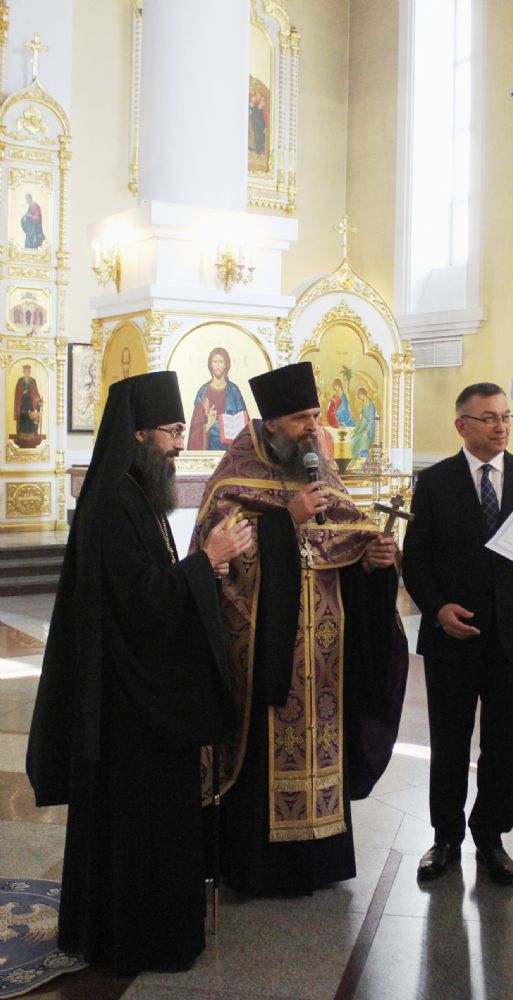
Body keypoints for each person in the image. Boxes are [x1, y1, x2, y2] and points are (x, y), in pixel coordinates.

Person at [26, 371, 252, 975]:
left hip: (139, 693)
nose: (180, 444)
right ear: (139, 434)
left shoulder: (134, 494)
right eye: (173, 432)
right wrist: (206, 561)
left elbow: (153, 585)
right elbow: (140, 601)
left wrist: (203, 569)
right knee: (138, 826)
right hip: (128, 708)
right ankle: (138, 939)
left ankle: (140, 930)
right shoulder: (113, 503)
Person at [190, 361, 409, 896]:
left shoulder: (321, 474)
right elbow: (219, 557)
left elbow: (345, 539)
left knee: (324, 740)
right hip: (265, 647)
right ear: (271, 424)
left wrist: (372, 561)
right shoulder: (234, 477)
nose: (313, 427)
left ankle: (319, 861)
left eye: (315, 416)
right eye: (300, 419)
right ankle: (257, 866)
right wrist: (285, 519)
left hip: (325, 654)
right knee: (263, 745)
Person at [402, 382, 513, 884]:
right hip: (453, 635)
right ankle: (444, 837)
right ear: (462, 425)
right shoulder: (435, 482)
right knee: (449, 742)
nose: (500, 426)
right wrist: (437, 609)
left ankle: (491, 837)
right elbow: (416, 560)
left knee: (505, 743)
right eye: (489, 418)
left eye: (505, 417)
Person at [187, 346, 248, 451]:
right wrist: (208, 424)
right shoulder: (203, 392)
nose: (218, 366)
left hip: (231, 447)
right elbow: (195, 427)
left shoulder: (234, 391)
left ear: (226, 365)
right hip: (209, 446)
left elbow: (244, 422)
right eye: (215, 362)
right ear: (210, 365)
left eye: (221, 362)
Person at [350, 386, 377, 462]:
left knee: (363, 437)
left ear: (363, 395)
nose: (360, 398)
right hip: (364, 426)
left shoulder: (370, 405)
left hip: (370, 427)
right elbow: (363, 420)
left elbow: (372, 420)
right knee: (354, 438)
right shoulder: (364, 405)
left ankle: (363, 457)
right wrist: (357, 429)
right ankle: (355, 458)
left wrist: (367, 430)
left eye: (360, 396)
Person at [14, 364, 42, 435]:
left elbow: (36, 393)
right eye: (26, 371)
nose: (27, 372)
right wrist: (23, 393)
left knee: (31, 418)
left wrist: (39, 401)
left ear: (30, 372)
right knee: (23, 418)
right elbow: (17, 394)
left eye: (28, 371)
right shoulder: (20, 381)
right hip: (22, 404)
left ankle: (31, 433)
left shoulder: (33, 381)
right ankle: (22, 433)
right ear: (24, 372)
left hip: (31, 404)